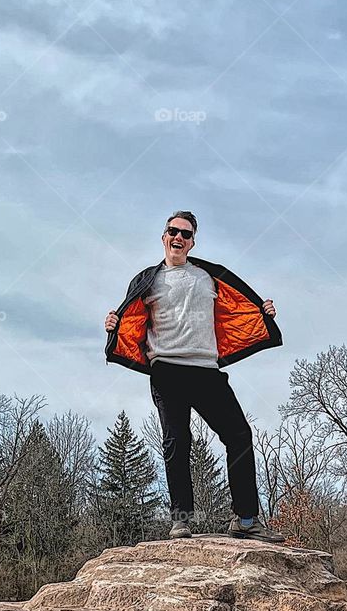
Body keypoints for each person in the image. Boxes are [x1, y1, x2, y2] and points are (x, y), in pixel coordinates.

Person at [104, 210, 285, 541]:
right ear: (164, 237)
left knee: (239, 436)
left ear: (192, 242)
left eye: (186, 234)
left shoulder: (208, 276)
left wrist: (262, 312)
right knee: (177, 441)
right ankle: (181, 520)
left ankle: (245, 519)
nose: (179, 238)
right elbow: (130, 318)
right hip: (167, 369)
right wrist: (114, 327)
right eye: (173, 231)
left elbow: (237, 310)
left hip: (206, 370)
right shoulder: (147, 280)